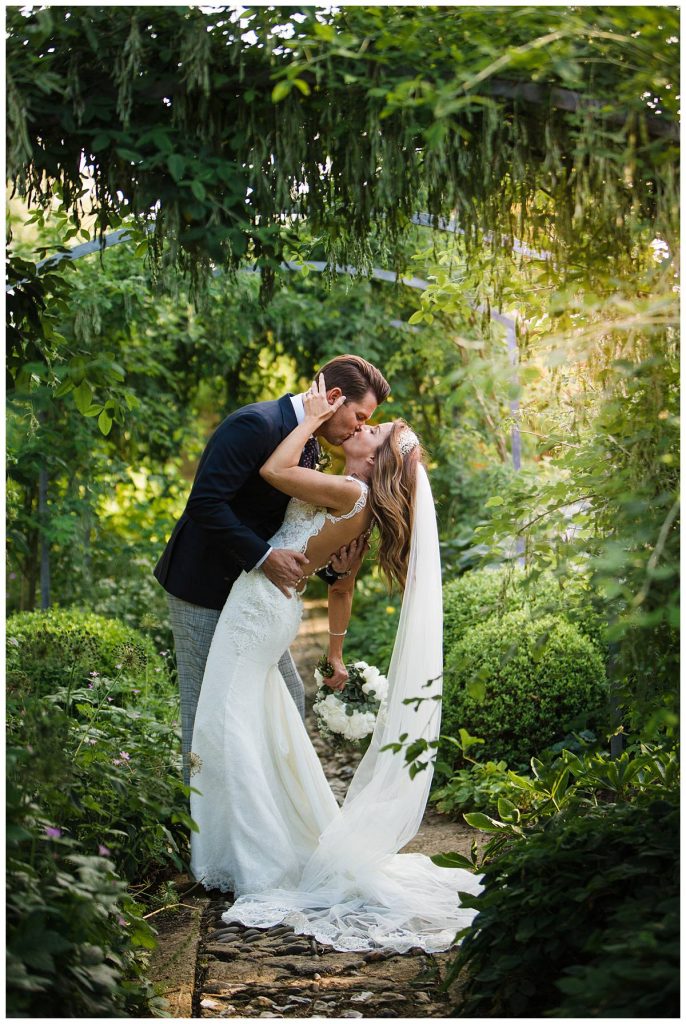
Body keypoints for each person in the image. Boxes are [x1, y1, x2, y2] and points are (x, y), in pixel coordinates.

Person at [190, 376, 484, 954]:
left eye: (370, 431)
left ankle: (253, 862)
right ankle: (258, 843)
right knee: (259, 726)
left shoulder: (350, 493)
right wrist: (335, 652)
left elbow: (275, 473)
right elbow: (341, 583)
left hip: (257, 605)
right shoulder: (354, 495)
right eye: (364, 419)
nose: (360, 427)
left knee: (223, 724)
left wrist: (306, 416)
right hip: (272, 604)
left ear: (374, 461)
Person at [154, 355, 390, 784]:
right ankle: (197, 828)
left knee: (288, 694)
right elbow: (205, 503)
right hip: (204, 584)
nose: (358, 429)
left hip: (250, 593)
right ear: (333, 398)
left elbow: (288, 531)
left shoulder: (311, 441)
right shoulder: (255, 425)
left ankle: (273, 805)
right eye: (359, 417)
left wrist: (332, 571)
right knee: (205, 706)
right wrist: (263, 557)